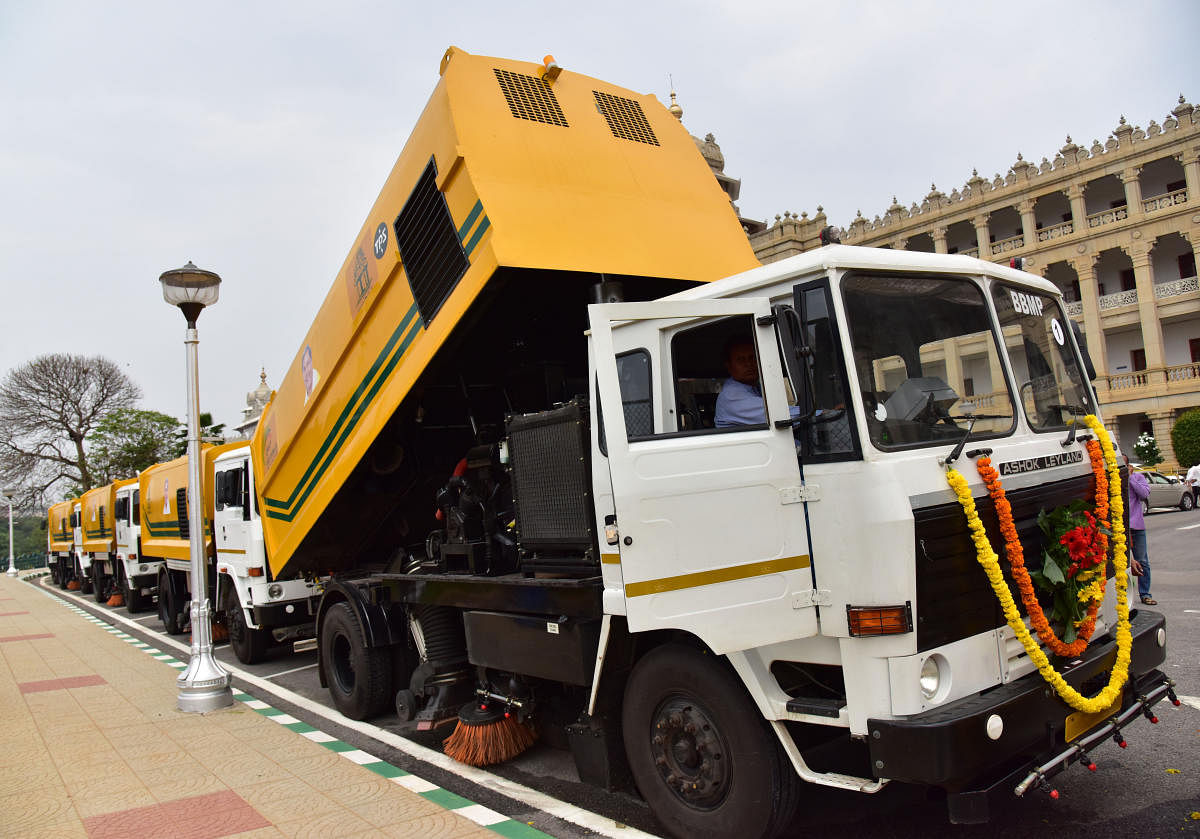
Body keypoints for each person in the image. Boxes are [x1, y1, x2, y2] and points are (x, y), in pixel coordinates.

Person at [714, 336, 766, 427]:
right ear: (729, 367)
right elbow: (782, 416)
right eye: (741, 360)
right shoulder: (731, 395)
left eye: (752, 357)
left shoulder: (754, 387)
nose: (749, 364)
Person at [1127, 469, 1156, 606]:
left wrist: (1131, 478)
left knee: (1142, 560)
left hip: (1136, 525)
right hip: (1119, 525)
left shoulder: (1138, 477)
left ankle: (1145, 593)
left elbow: (1144, 494)